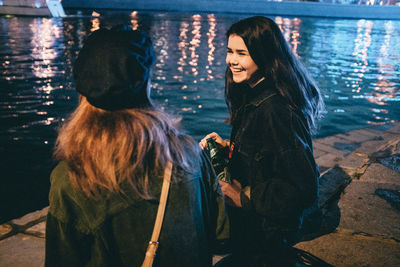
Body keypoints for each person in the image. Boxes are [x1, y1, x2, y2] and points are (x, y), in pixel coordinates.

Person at [45, 25, 229, 267]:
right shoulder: (188, 154)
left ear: (83, 92)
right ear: (146, 85)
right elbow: (222, 238)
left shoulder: (72, 179)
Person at [200, 16, 325, 266]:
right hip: (256, 224)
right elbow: (265, 156)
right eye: (229, 51)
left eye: (241, 53)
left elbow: (304, 188)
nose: (231, 61)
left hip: (265, 234)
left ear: (263, 54)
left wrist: (243, 195)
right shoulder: (253, 92)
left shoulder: (275, 110)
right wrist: (230, 150)